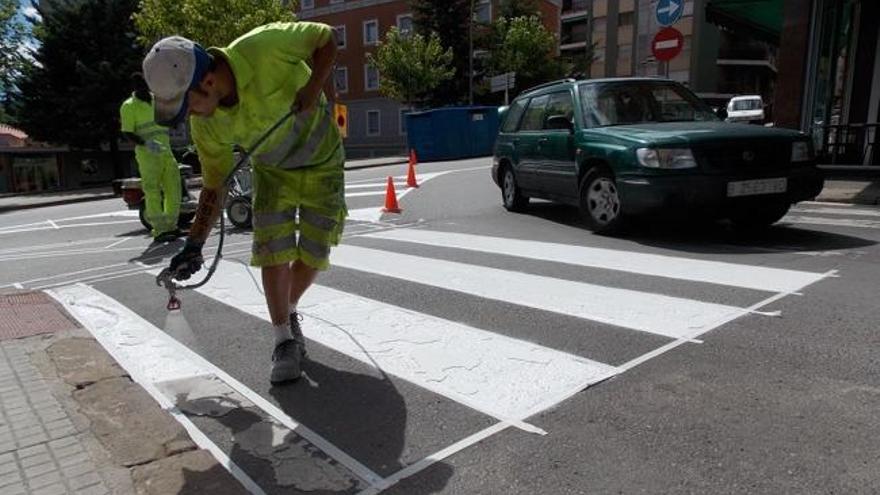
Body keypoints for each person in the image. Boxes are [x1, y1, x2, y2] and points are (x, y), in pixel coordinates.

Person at [142, 22, 345, 384]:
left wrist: (314, 86)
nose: (188, 117)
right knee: (272, 250)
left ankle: (290, 306)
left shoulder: (265, 46)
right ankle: (283, 338)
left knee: (314, 252)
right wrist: (193, 245)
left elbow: (326, 37)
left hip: (322, 159)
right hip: (271, 170)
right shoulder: (207, 125)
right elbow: (214, 186)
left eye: (186, 106)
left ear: (206, 81)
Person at [119, 73, 183, 242]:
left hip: (166, 152)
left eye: (146, 85)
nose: (144, 89)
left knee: (174, 188)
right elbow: (127, 132)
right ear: (135, 88)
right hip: (147, 155)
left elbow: (169, 120)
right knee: (152, 191)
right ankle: (160, 229)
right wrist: (145, 143)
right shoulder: (129, 106)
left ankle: (172, 225)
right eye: (140, 86)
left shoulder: (157, 100)